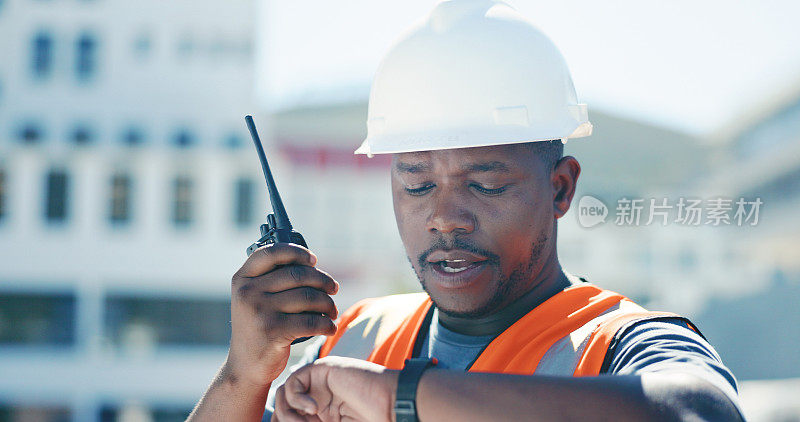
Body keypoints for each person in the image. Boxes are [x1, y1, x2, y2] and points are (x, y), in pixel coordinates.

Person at [188, 1, 744, 420]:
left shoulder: (614, 344)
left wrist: (400, 398)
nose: (445, 217)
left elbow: (702, 407)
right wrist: (244, 377)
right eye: (417, 182)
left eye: (485, 183)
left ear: (560, 188)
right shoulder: (360, 338)